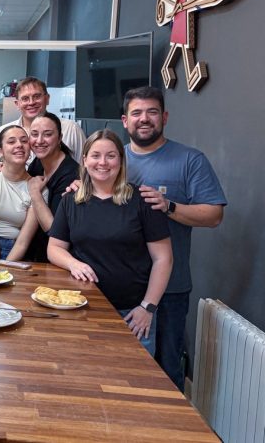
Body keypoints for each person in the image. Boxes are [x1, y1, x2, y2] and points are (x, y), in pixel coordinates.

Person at [121, 86, 226, 389]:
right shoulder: (111, 160)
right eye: (136, 113)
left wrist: (168, 206)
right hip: (120, 286)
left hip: (170, 290)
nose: (144, 119)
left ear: (164, 117)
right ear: (125, 120)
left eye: (152, 112)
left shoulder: (190, 160)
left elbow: (213, 215)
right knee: (122, 371)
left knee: (165, 371)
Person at [48, 129, 173, 355]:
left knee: (136, 382)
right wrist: (73, 264)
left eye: (111, 156)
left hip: (133, 313)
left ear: (121, 161)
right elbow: (54, 248)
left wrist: (147, 307)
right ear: (84, 160)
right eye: (95, 155)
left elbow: (163, 258)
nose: (103, 162)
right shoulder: (71, 200)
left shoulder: (143, 200)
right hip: (82, 308)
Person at [0, 125, 42, 260]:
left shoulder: (37, 187)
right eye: (11, 142)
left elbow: (23, 241)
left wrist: (4, 269)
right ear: (0, 152)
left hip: (15, 249)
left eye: (24, 141)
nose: (19, 145)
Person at [25, 113, 81, 262]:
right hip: (35, 252)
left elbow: (54, 229)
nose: (39, 141)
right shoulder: (36, 164)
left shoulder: (71, 175)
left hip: (59, 258)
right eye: (34, 134)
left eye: (48, 134)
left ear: (60, 138)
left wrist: (35, 193)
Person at [0, 77, 86, 162]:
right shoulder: (1, 133)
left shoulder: (71, 129)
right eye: (25, 98)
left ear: (47, 99)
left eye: (36, 96)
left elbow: (84, 168)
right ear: (17, 104)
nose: (31, 102)